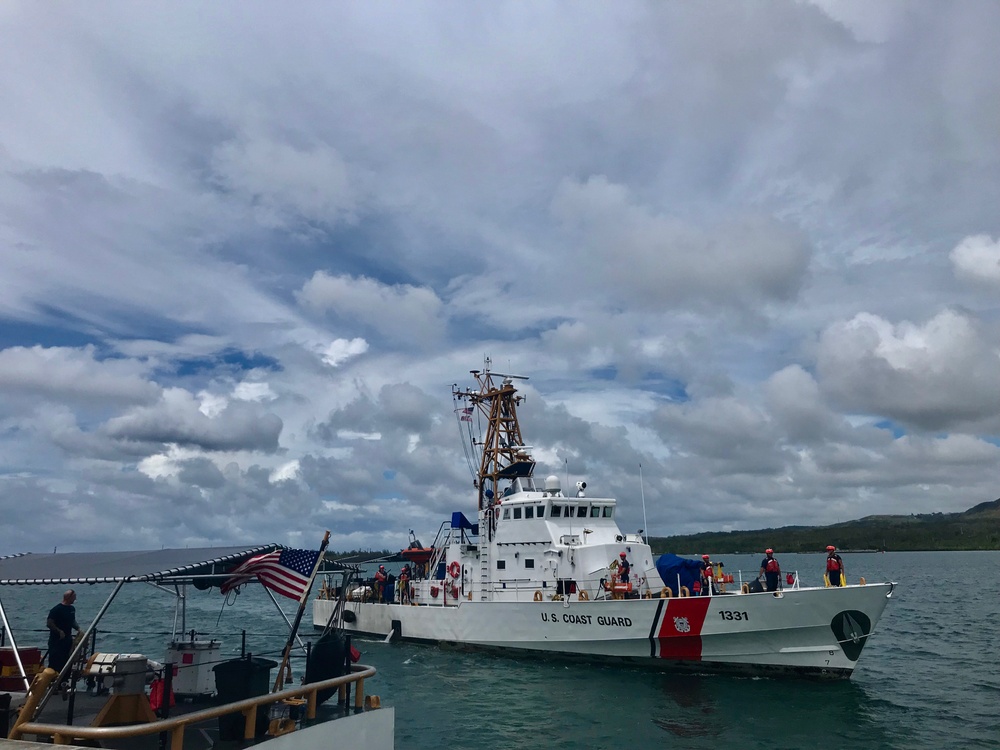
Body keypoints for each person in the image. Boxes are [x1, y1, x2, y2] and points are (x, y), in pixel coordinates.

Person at [46, 589, 80, 672]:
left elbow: (72, 621)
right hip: (57, 641)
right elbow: (49, 623)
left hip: (67, 640)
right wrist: (59, 631)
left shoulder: (72, 609)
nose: (75, 599)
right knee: (56, 662)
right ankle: (54, 680)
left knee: (67, 661)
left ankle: (65, 681)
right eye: (74, 597)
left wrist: (78, 629)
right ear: (69, 597)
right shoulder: (57, 609)